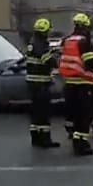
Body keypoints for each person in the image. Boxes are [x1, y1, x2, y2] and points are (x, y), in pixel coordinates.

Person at [59, 13, 93, 156]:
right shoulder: (84, 42)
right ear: (85, 26)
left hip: (69, 83)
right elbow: (90, 62)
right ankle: (81, 145)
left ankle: (76, 140)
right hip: (84, 82)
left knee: (74, 113)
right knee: (84, 115)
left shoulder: (66, 40)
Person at [20, 18, 60, 148]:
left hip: (32, 82)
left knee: (35, 112)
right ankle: (45, 139)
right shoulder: (41, 44)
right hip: (41, 83)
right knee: (43, 112)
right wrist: (55, 59)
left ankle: (36, 138)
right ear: (44, 31)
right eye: (48, 31)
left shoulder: (32, 42)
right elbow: (47, 61)